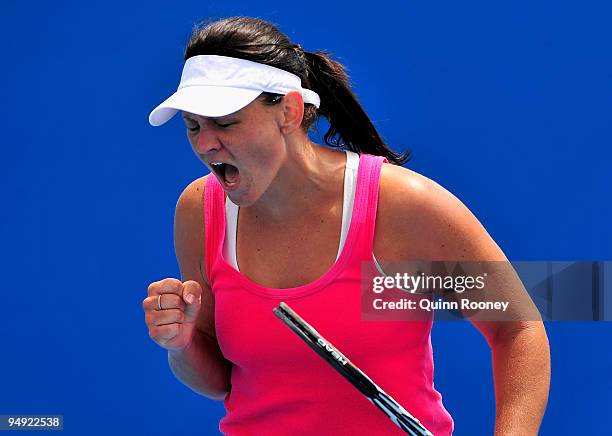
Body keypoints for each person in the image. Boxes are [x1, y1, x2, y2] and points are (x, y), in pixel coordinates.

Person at [142, 16, 550, 435]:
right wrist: (181, 343)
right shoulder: (199, 210)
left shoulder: (402, 206)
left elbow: (516, 325)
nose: (205, 143)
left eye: (225, 123)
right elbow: (219, 382)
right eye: (193, 126)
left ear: (289, 111)